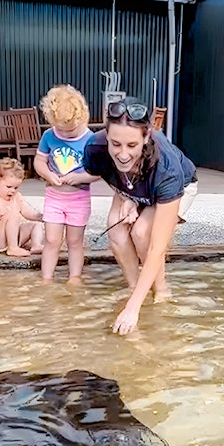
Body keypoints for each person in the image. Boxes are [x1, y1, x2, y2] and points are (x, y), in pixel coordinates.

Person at [81, 97, 198, 334]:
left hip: (177, 188)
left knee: (143, 231)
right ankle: (135, 288)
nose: (123, 154)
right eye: (115, 144)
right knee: (116, 226)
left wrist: (132, 310)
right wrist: (127, 198)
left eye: (131, 146)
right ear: (106, 136)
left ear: (146, 137)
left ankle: (161, 291)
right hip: (134, 187)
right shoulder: (95, 148)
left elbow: (158, 247)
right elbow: (110, 175)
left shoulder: (167, 169)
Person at [33, 84, 98, 282]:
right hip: (54, 196)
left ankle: (75, 276)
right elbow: (39, 161)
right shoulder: (48, 136)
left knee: (75, 241)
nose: (67, 135)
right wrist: (47, 175)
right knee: (52, 240)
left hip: (78, 197)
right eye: (62, 130)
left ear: (82, 117)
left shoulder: (91, 139)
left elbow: (100, 172)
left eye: (71, 130)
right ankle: (46, 278)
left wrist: (81, 178)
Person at [0, 158, 44, 257]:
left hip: (13, 237)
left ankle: (36, 245)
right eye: (9, 187)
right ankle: (13, 248)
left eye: (16, 188)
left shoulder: (16, 197)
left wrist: (40, 216)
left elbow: (26, 211)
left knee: (36, 225)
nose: (13, 191)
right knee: (12, 214)